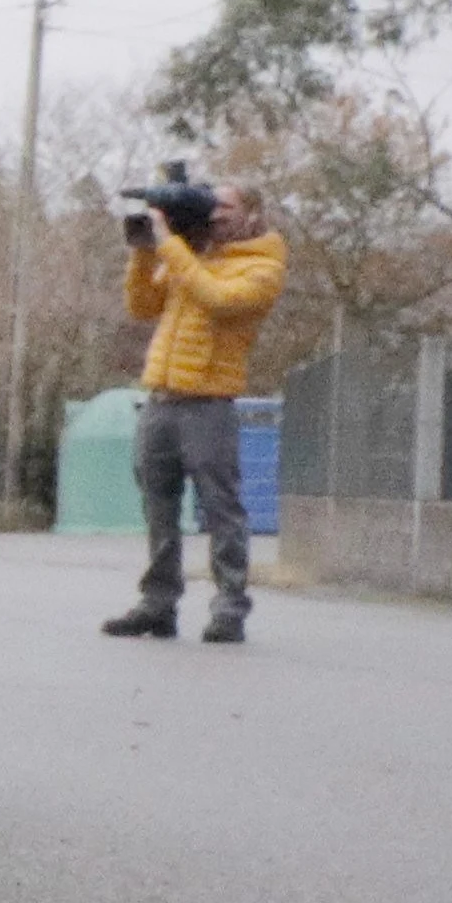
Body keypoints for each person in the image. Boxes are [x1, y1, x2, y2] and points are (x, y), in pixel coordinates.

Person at [104, 178, 289, 643]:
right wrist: (146, 251)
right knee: (158, 506)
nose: (213, 214)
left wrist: (172, 247)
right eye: (210, 206)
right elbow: (142, 305)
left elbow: (218, 300)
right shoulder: (193, 254)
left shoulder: (262, 265)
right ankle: (157, 604)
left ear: (252, 214)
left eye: (224, 206)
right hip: (161, 399)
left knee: (222, 508)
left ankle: (230, 608)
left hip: (210, 404)